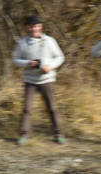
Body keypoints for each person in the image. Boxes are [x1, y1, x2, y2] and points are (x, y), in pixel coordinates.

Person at [12, 15, 65, 145]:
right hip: (30, 80)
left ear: (40, 27)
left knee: (52, 108)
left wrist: (50, 66)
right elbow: (15, 59)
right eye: (31, 26)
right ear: (26, 27)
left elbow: (60, 57)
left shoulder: (49, 41)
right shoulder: (22, 43)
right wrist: (27, 63)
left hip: (47, 79)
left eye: (36, 26)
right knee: (27, 109)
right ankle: (24, 135)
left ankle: (59, 134)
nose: (34, 29)